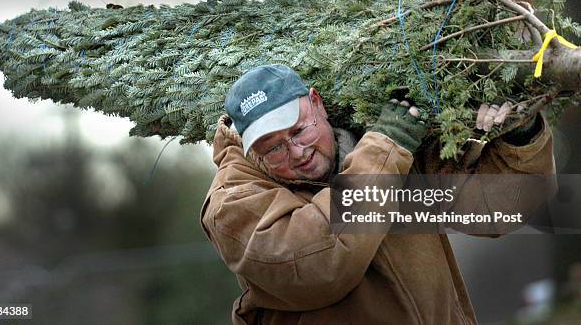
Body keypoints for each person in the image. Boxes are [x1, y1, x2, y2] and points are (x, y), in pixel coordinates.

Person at [200, 64, 554, 324]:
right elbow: (316, 264)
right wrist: (386, 149)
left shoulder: (388, 145)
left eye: (299, 130)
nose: (296, 152)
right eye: (272, 147)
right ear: (250, 151)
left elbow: (498, 209)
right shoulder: (232, 201)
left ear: (317, 102)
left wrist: (519, 132)